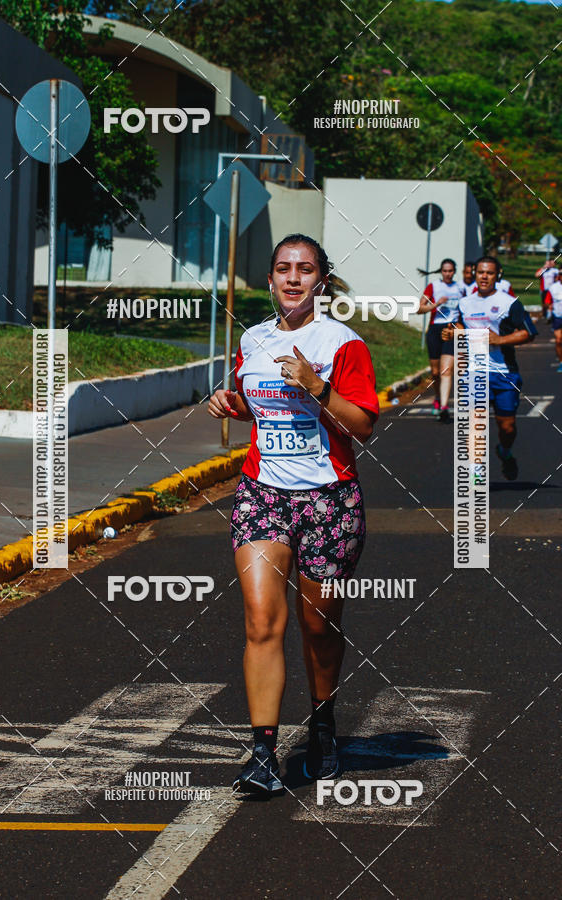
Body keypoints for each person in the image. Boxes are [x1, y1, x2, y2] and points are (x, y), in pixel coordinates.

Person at [207, 234, 379, 795]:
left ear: (321, 280)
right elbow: (249, 401)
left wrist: (316, 387)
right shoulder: (252, 339)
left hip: (329, 499)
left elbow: (362, 426)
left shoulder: (343, 343)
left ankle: (324, 723)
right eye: (283, 268)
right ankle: (262, 753)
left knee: (318, 624)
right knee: (262, 621)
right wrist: (227, 402)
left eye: (305, 270)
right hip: (264, 494)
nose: (293, 278)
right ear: (272, 277)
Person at [443, 256, 537, 480]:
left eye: (490, 273)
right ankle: (476, 472)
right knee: (476, 422)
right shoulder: (466, 303)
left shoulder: (509, 302)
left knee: (507, 428)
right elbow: (460, 326)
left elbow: (528, 333)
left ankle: (504, 452)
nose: (484, 276)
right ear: (474, 274)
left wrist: (499, 341)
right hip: (474, 372)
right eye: (481, 272)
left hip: (504, 372)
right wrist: (450, 331)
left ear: (498, 275)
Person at [417, 258, 466, 422]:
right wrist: (436, 304)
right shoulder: (434, 286)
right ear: (441, 271)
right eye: (445, 271)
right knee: (436, 372)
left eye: (450, 271)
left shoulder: (460, 287)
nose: (447, 274)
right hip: (435, 328)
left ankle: (444, 406)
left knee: (446, 370)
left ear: (454, 271)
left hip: (452, 329)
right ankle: (438, 397)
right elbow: (419, 308)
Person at [542, 272, 562, 372]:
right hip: (558, 317)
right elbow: (547, 301)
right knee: (558, 340)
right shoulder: (553, 288)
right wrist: (548, 306)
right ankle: (561, 362)